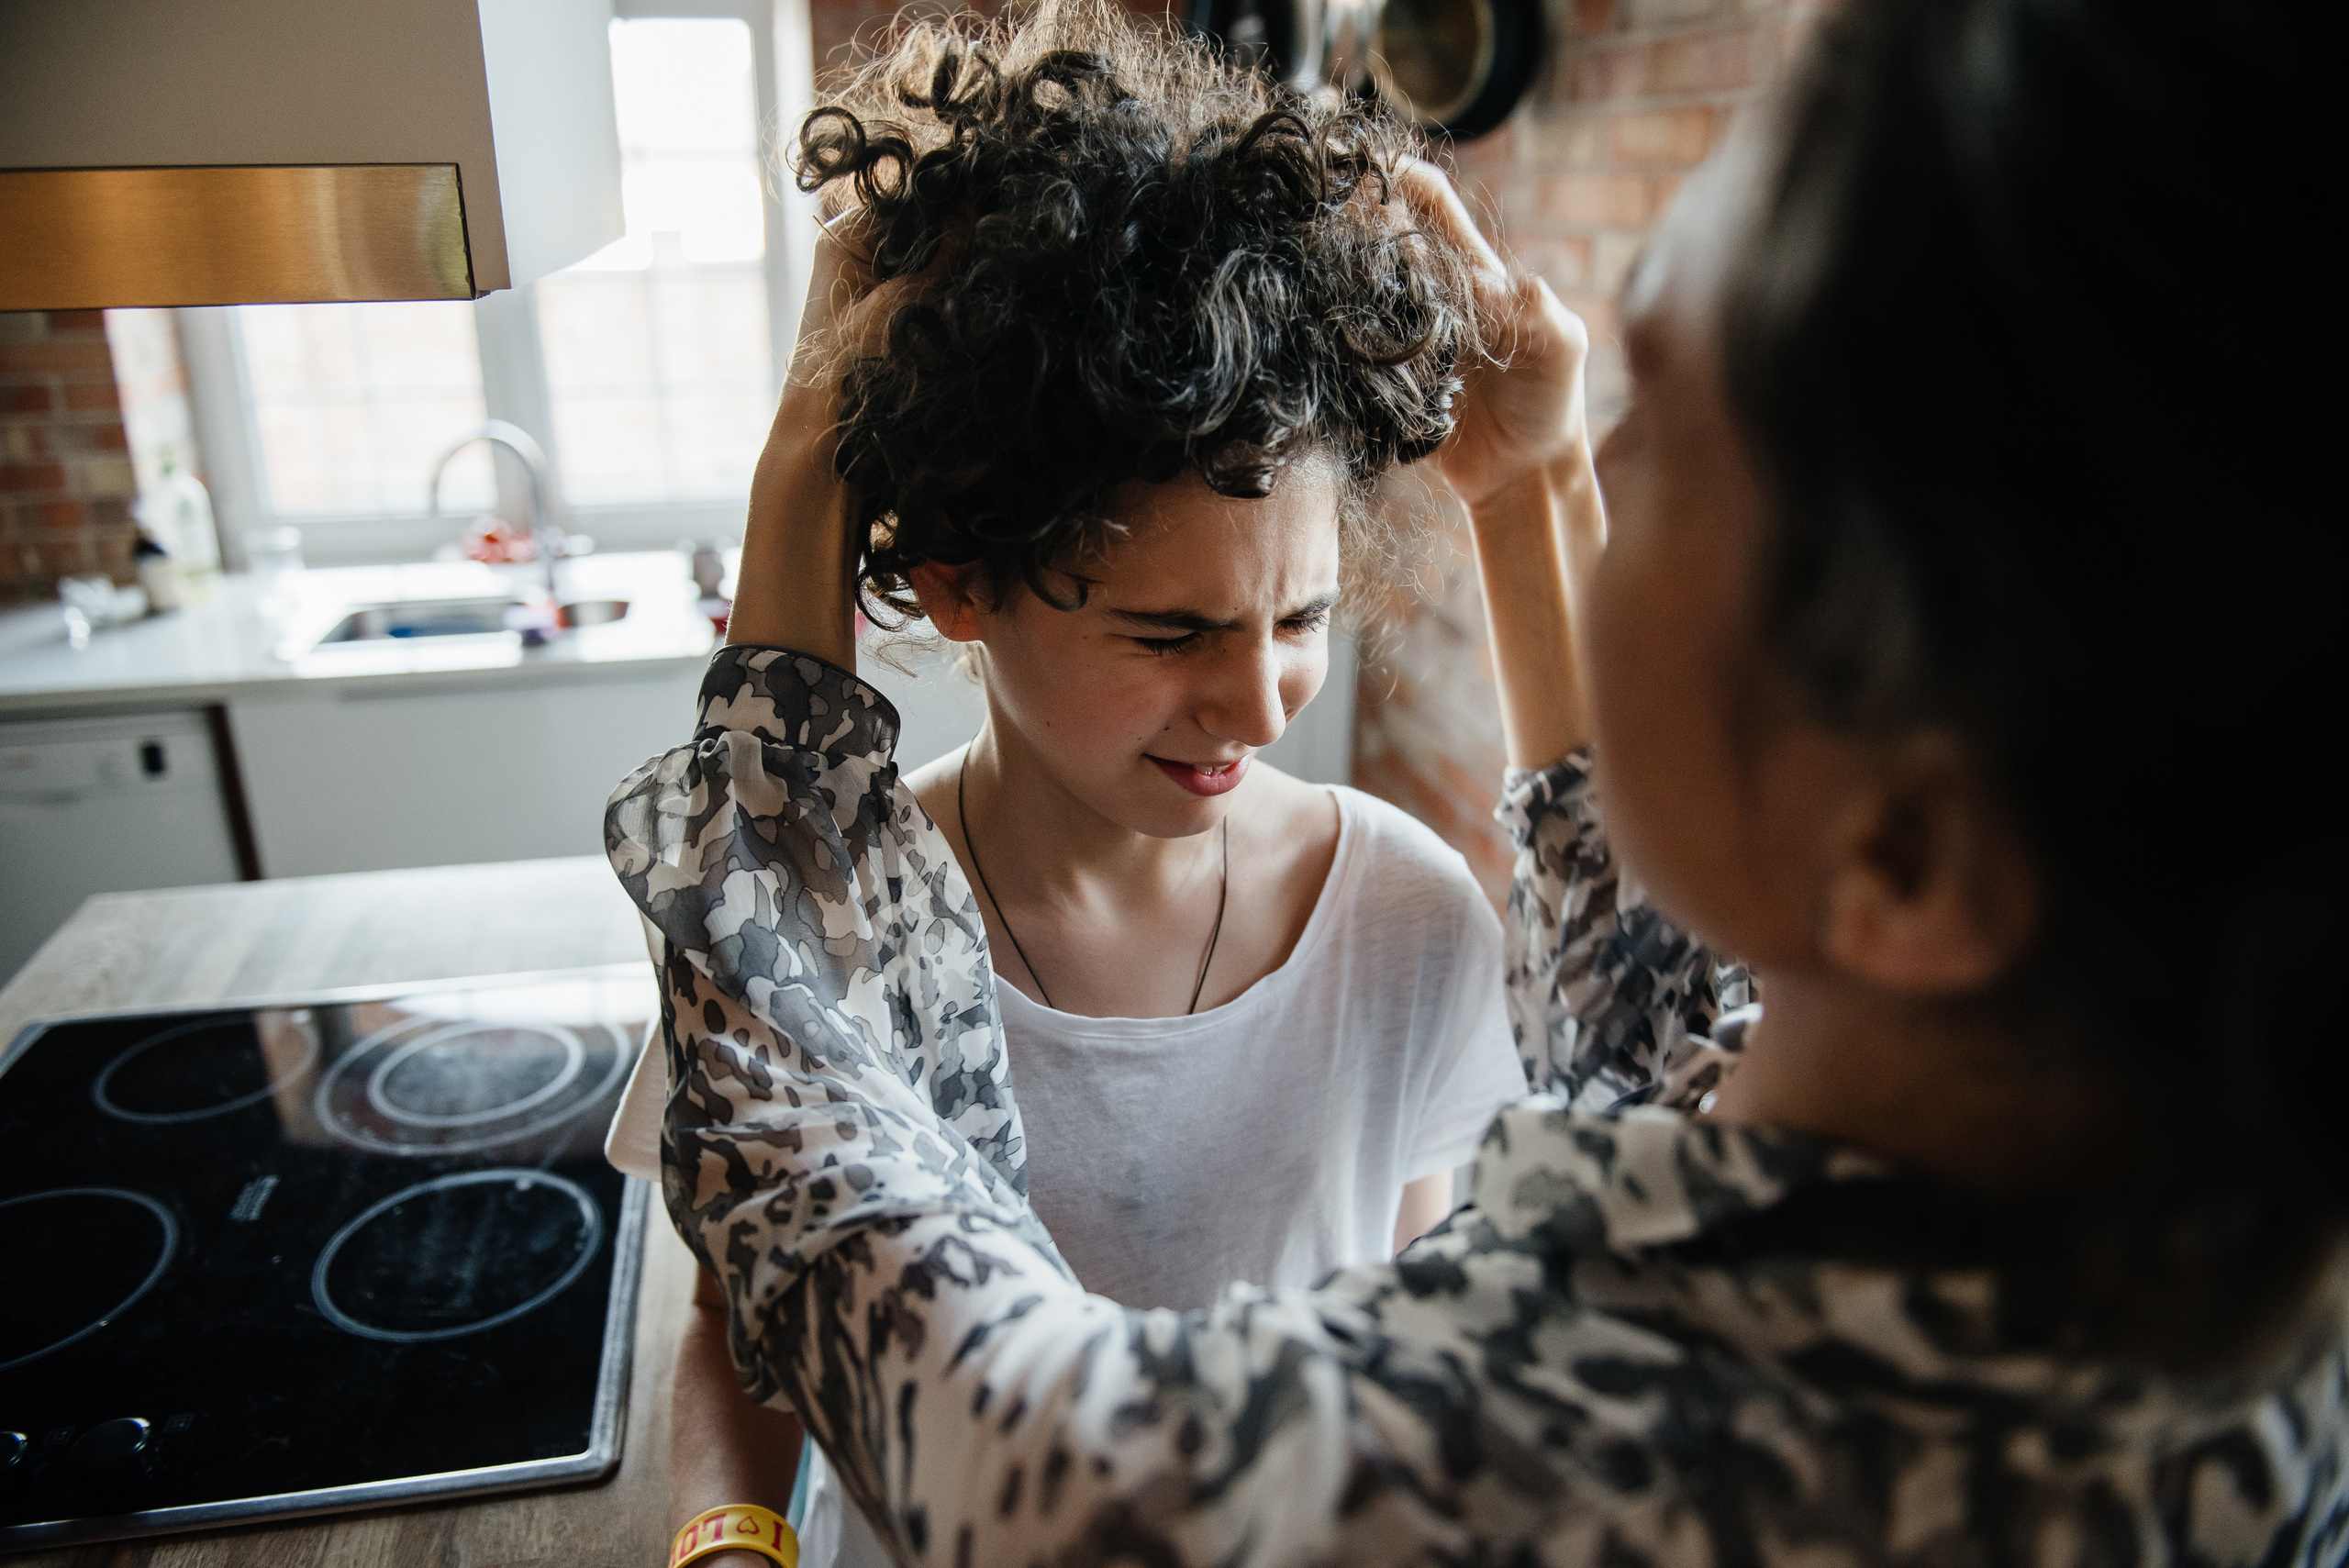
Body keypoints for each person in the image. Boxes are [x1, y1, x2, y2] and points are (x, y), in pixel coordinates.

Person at [607, 0, 2348, 1562]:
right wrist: (1530, 486)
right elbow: (1658, 1034)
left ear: (1902, 846)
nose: (1578, 464)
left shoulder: (1614, 1430)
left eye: (1651, 437)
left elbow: (978, 1402)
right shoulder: (2203, 1281)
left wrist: (798, 471)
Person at [602, 7, 1529, 1563]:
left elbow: (1403, 1324)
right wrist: (727, 1541)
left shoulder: (1408, 919)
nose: (1256, 702)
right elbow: (737, 1323)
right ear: (962, 582)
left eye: (1296, 620)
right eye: (1171, 631)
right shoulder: (826, 935)